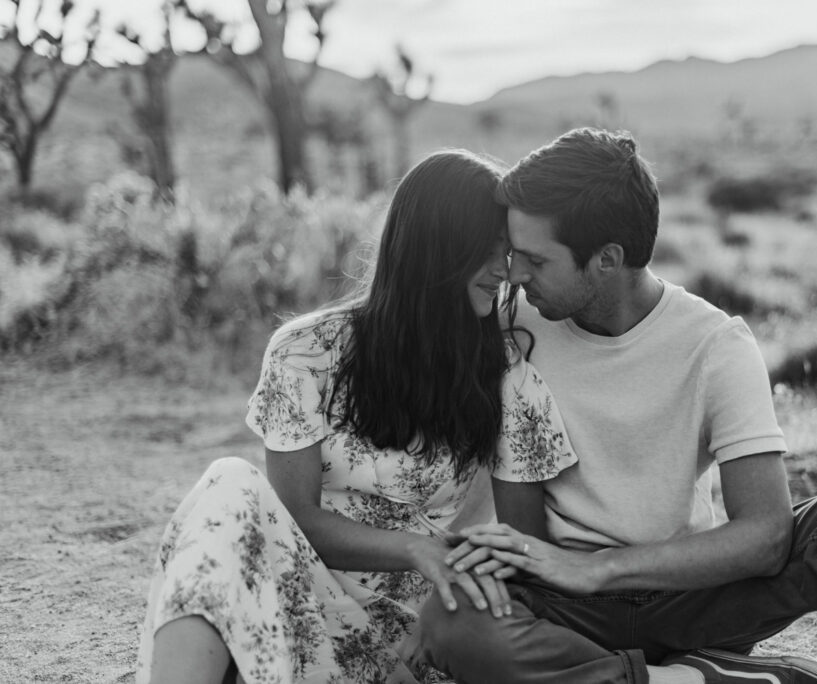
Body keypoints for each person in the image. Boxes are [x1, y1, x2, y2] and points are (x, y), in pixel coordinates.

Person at [419, 128, 817, 684]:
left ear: (607, 260)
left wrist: (597, 568)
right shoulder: (512, 325)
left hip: (691, 599)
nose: (515, 276)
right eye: (516, 255)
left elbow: (766, 534)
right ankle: (705, 681)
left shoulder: (716, 345)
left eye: (537, 262)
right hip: (560, 606)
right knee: (450, 621)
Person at [136, 149, 578, 683]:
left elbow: (521, 544)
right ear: (436, 252)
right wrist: (415, 547)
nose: (501, 272)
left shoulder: (510, 378)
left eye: (505, 253)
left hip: (416, 629)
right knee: (229, 482)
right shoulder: (305, 351)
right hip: (301, 596)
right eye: (485, 253)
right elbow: (295, 513)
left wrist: (443, 621)